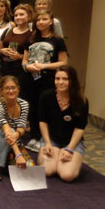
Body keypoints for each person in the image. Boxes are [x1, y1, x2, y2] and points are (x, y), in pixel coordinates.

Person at [22, 10, 68, 147]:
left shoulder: (57, 40)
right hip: (31, 80)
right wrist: (27, 66)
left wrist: (44, 66)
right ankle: (34, 136)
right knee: (33, 108)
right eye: (38, 20)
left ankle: (45, 138)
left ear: (51, 21)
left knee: (46, 108)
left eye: (44, 19)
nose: (41, 22)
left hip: (48, 80)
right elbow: (24, 60)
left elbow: (63, 62)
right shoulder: (30, 39)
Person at [37, 66, 88, 182]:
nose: (60, 82)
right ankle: (56, 155)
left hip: (72, 142)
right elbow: (42, 121)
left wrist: (70, 149)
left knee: (67, 175)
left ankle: (65, 157)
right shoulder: (46, 96)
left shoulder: (81, 100)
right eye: (57, 78)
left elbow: (80, 128)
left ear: (72, 81)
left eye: (65, 79)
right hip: (51, 139)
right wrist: (48, 143)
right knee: (47, 171)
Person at [0, 75, 29, 180]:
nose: (11, 91)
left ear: (18, 88)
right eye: (7, 88)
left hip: (12, 139)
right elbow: (6, 129)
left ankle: (6, 154)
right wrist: (18, 155)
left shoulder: (24, 104)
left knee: (29, 167)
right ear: (1, 91)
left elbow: (21, 127)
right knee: (9, 130)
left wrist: (17, 134)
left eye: (13, 87)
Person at [0, 3, 33, 98]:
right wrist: (3, 51)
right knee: (2, 97)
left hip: (20, 72)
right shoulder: (8, 31)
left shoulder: (31, 35)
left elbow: (33, 57)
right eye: (16, 15)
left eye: (21, 14)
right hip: (4, 69)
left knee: (17, 97)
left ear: (29, 16)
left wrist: (19, 56)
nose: (18, 17)